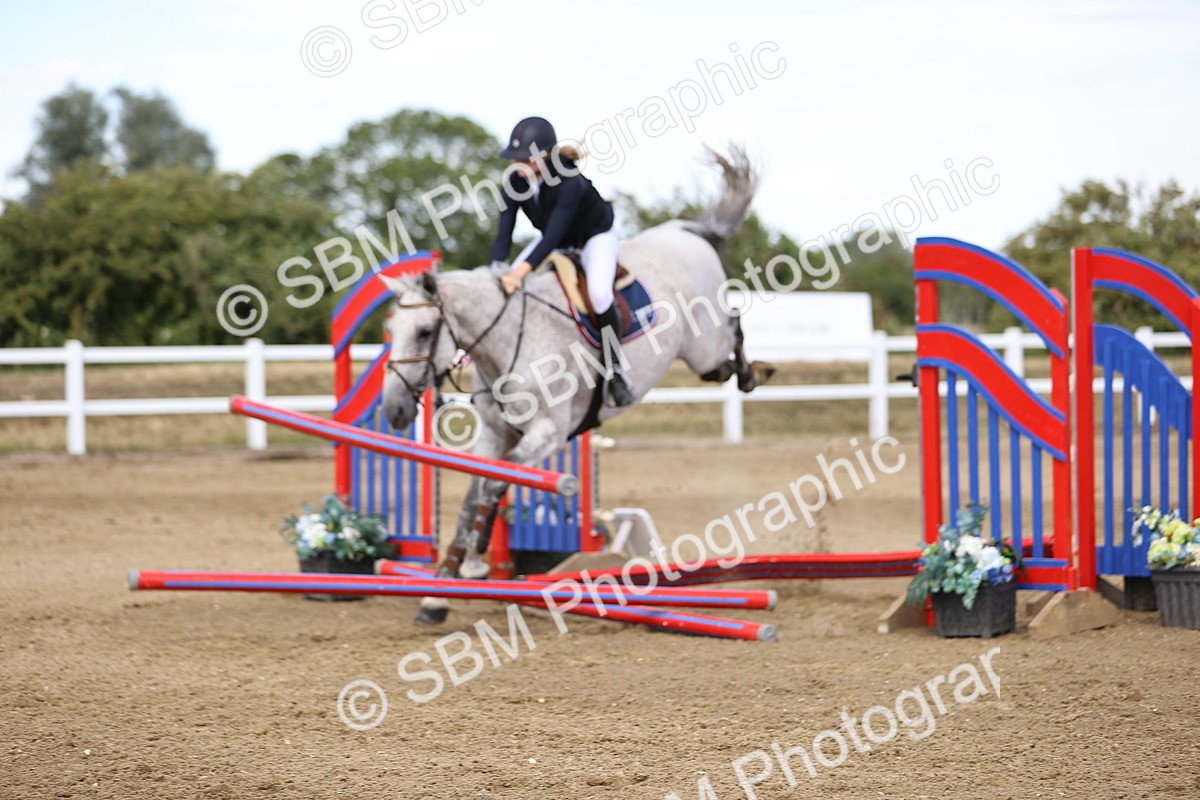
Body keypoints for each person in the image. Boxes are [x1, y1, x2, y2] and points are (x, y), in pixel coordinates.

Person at [491, 116, 635, 407]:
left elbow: (553, 236)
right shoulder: (514, 182)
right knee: (500, 284)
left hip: (593, 237)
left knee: (598, 294)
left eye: (523, 158)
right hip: (554, 238)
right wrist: (497, 269)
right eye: (515, 158)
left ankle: (615, 370)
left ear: (544, 156)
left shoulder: (568, 180)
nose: (517, 164)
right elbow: (503, 232)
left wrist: (519, 273)